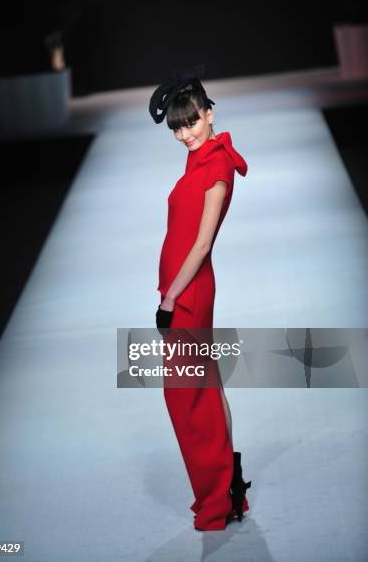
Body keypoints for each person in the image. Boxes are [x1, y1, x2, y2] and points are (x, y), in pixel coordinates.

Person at [149, 64, 251, 531]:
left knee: (188, 397)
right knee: (204, 387)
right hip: (185, 288)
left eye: (191, 121)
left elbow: (203, 242)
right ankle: (229, 487)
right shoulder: (201, 155)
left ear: (209, 113)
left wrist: (169, 299)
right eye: (176, 126)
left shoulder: (218, 164)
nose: (184, 133)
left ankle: (217, 494)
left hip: (188, 292)